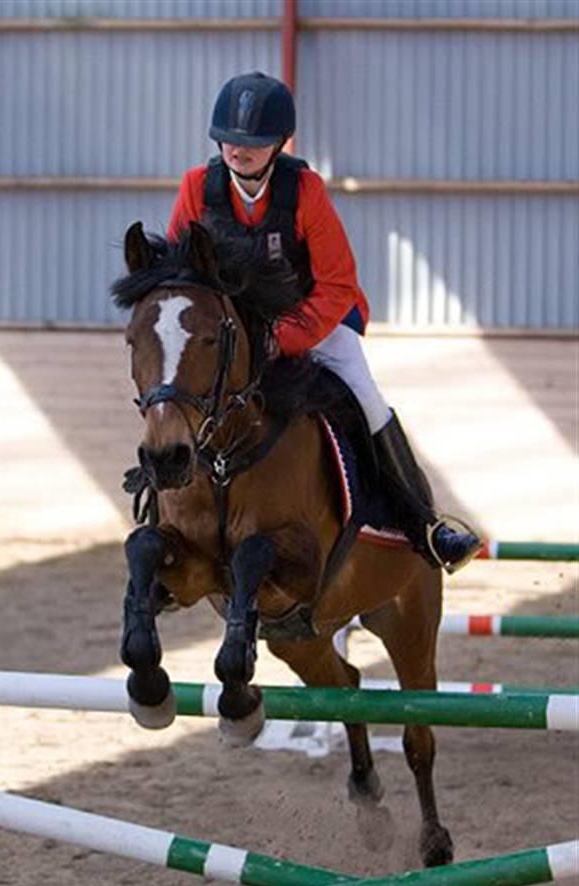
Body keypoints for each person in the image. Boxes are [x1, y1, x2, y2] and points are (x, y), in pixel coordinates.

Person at [167, 71, 482, 573]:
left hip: (316, 318)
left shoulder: (306, 191)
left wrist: (281, 339)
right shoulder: (196, 189)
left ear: (279, 143)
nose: (238, 151)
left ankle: (421, 523)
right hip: (235, 332)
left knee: (365, 396)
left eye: (253, 142)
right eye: (229, 140)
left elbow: (337, 283)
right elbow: (182, 277)